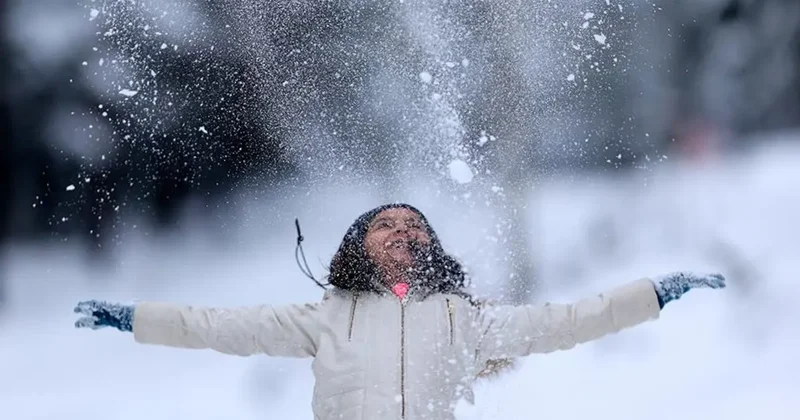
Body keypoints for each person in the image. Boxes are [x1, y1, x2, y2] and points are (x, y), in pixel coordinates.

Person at [74, 203, 726, 420]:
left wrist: (654, 294)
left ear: (431, 247)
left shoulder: (463, 319)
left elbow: (568, 320)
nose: (402, 231)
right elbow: (216, 326)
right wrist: (134, 318)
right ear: (357, 246)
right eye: (385, 223)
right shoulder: (325, 316)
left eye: (415, 225)